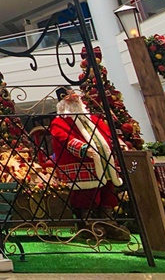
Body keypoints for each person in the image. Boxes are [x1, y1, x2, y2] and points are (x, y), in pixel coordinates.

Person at [49, 87, 130, 241]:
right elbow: (63, 138)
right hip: (83, 164)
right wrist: (82, 148)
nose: (73, 100)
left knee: (107, 192)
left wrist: (118, 143)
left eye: (74, 97)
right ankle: (88, 223)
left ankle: (107, 222)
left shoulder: (92, 119)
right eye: (68, 98)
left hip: (104, 163)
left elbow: (107, 134)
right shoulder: (60, 122)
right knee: (87, 195)